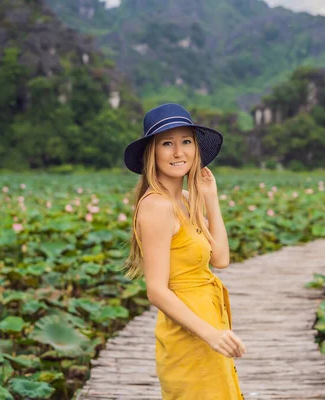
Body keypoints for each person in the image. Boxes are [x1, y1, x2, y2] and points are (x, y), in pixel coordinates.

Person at [122, 103, 246, 399]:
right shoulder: (156, 206)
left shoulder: (185, 200)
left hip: (210, 323)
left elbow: (221, 259)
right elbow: (156, 291)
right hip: (190, 332)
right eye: (167, 143)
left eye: (186, 142)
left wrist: (210, 199)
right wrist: (210, 335)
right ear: (152, 152)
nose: (179, 152)